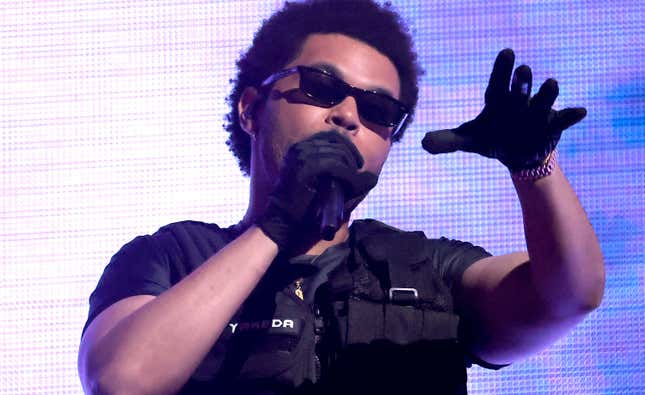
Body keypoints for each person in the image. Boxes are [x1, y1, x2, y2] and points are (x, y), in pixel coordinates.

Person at [77, 1, 605, 394]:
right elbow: (125, 380)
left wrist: (534, 167)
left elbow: (569, 296)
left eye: (378, 111)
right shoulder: (172, 257)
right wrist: (277, 229)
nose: (348, 115)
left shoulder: (426, 267)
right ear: (251, 109)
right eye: (321, 88)